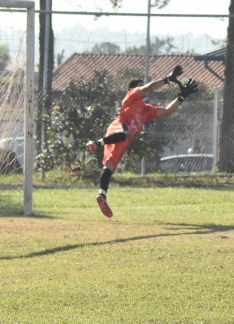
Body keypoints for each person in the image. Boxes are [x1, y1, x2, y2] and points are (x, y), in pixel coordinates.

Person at [85, 66, 198, 218]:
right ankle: (97, 143)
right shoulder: (131, 97)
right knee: (129, 134)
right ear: (132, 89)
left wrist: (181, 97)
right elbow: (148, 87)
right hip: (119, 127)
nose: (142, 88)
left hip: (124, 139)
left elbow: (166, 111)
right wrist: (167, 79)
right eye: (139, 85)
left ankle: (102, 195)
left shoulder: (146, 110)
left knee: (110, 166)